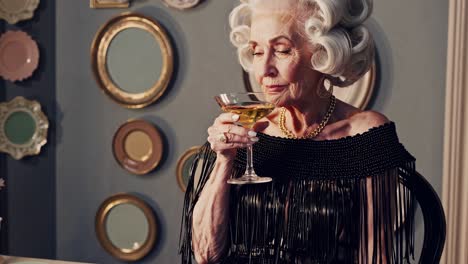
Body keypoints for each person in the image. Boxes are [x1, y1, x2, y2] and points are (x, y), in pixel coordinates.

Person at [180, 0, 416, 263]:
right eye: (257, 52)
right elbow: (205, 254)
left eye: (281, 50)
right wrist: (225, 160)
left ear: (324, 54)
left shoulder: (365, 134)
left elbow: (375, 254)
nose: (264, 70)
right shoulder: (246, 128)